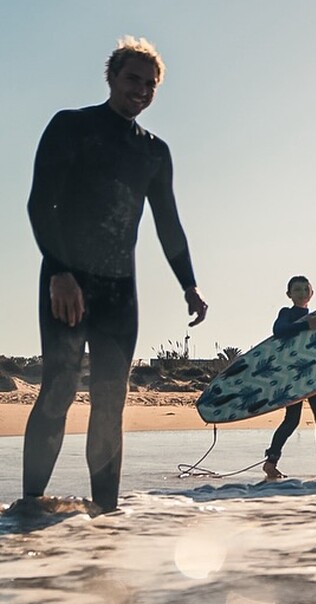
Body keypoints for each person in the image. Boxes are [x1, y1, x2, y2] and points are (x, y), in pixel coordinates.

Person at [19, 37, 208, 514]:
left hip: (120, 290)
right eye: (133, 79)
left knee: (111, 401)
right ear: (112, 77)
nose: (141, 90)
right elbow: (41, 203)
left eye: (151, 84)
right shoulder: (72, 126)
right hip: (69, 282)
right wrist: (58, 271)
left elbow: (168, 222)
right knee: (60, 387)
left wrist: (189, 283)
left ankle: (106, 518)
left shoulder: (154, 152)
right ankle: (28, 508)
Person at [262, 276, 316, 480]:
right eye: (296, 290)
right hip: (294, 376)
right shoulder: (287, 314)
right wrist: (307, 326)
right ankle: (271, 461)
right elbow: (278, 330)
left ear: (311, 293)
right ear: (289, 294)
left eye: (305, 289)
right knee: (291, 421)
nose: (301, 293)